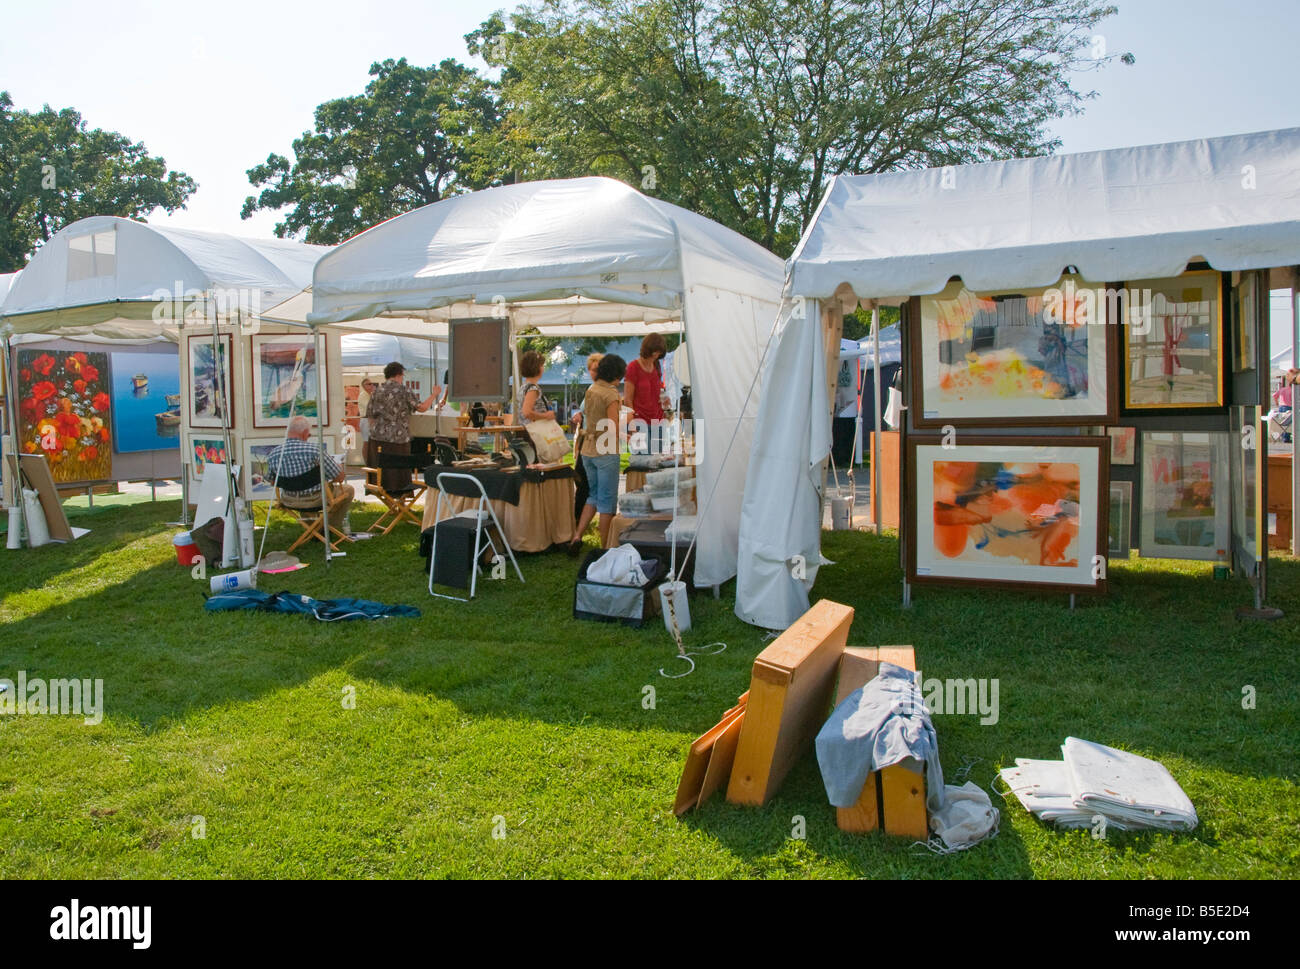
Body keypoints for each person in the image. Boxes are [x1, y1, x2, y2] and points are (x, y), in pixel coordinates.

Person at [570, 353, 626, 552]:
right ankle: (606, 548)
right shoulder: (611, 394)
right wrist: (625, 434)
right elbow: (612, 427)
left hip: (587, 449)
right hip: (605, 451)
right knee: (607, 502)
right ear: (616, 374)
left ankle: (577, 536)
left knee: (592, 496)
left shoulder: (591, 389)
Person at [365, 361, 439, 493]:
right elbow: (422, 408)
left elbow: (370, 416)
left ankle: (384, 494)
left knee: (382, 471)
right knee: (399, 472)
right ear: (398, 375)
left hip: (377, 438)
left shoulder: (376, 392)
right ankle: (400, 496)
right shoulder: (404, 390)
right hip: (399, 438)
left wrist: (376, 430)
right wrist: (434, 394)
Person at [267, 415, 355, 514]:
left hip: (289, 501)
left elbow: (272, 482)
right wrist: (338, 466)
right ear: (305, 432)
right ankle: (329, 523)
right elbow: (339, 477)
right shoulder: (315, 451)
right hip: (316, 500)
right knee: (349, 489)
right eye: (309, 434)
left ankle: (310, 523)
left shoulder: (273, 454)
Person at [623, 333, 670, 453]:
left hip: (658, 420)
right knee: (644, 459)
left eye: (659, 353)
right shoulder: (633, 367)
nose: (656, 355)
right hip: (639, 421)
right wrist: (632, 426)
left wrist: (665, 399)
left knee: (658, 459)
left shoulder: (656, 366)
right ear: (648, 349)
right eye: (654, 352)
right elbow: (628, 400)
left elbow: (659, 390)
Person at [570, 353, 603, 522]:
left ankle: (579, 521)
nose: (593, 372)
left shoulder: (602, 389)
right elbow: (585, 411)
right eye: (591, 369)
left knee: (585, 482)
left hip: (595, 441)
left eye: (596, 369)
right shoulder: (591, 388)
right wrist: (579, 415)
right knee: (581, 480)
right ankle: (579, 519)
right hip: (586, 440)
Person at [515, 350, 557, 425]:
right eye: (542, 365)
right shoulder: (533, 389)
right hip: (535, 429)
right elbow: (527, 412)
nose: (543, 368)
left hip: (526, 429)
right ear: (537, 367)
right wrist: (546, 416)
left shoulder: (524, 387)